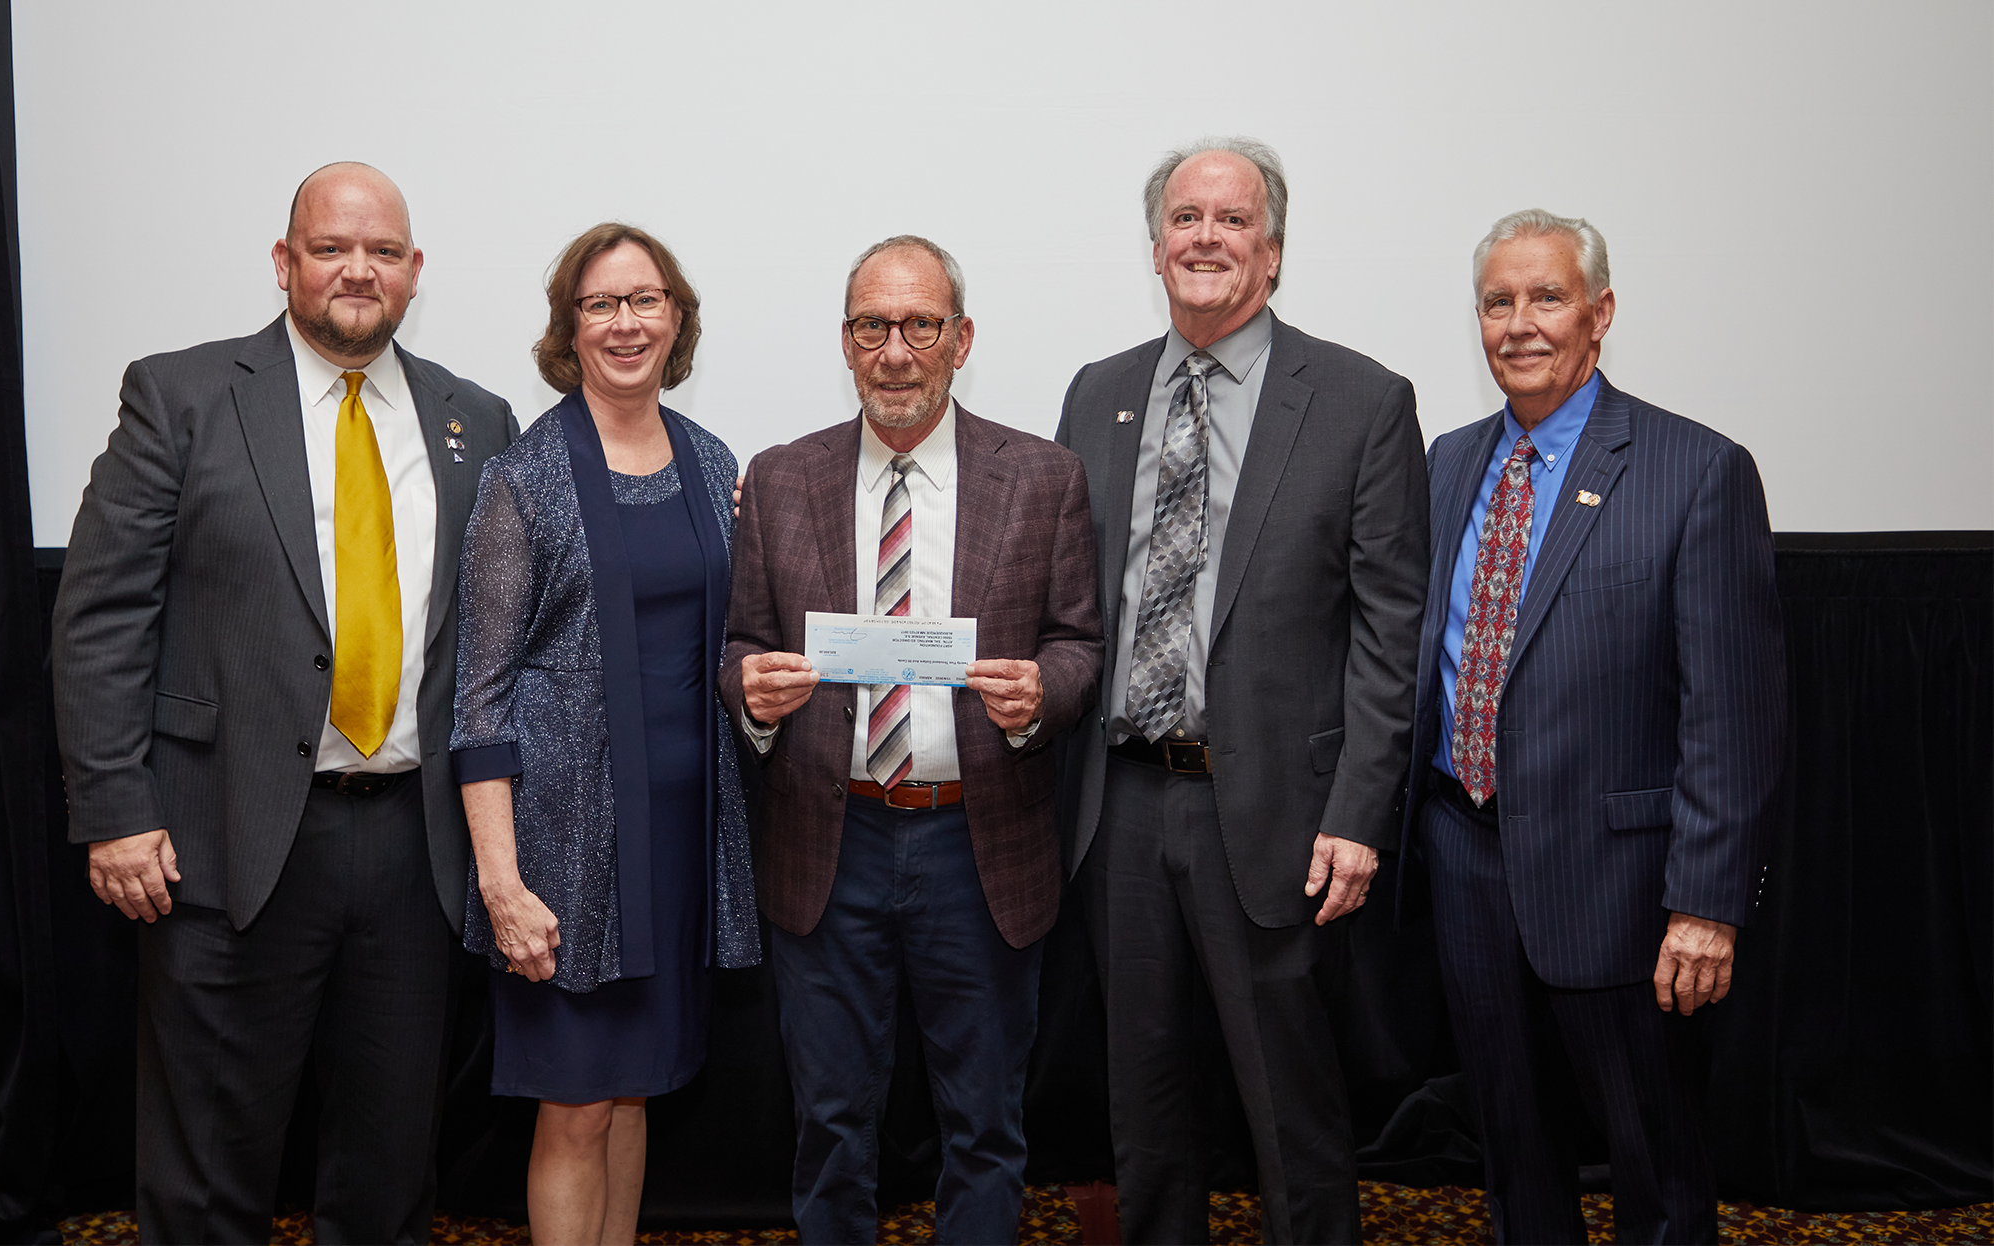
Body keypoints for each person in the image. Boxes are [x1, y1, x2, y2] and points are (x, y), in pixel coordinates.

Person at [53, 162, 517, 1246]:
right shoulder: (180, 396)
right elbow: (100, 615)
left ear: (414, 273)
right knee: (211, 1166)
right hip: (226, 836)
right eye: (330, 247)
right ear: (285, 263)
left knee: (390, 1164)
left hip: (414, 848)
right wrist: (116, 806)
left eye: (383, 251)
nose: (358, 269)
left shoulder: (476, 419)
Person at [1053, 137, 1429, 1246]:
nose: (1204, 238)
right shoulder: (1101, 391)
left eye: (1231, 220)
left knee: (1291, 1112)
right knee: (1146, 1108)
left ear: (1272, 249)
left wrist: (1358, 815)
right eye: (1184, 218)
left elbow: (1389, 629)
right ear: (1156, 243)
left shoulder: (1360, 399)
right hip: (1121, 808)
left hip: (1274, 813)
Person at [1402, 209, 1786, 1244]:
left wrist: (1705, 903)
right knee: (1513, 1151)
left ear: (1601, 311)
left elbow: (1733, 712)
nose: (1519, 324)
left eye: (1547, 297)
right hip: (1467, 857)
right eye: (1497, 301)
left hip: (1623, 886)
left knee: (1653, 1162)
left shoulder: (1694, 469)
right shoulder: (1446, 463)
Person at [720, 235, 1102, 1242]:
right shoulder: (779, 478)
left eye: (920, 325)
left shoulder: (1044, 478)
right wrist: (753, 695)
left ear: (961, 338)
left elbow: (1078, 642)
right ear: (844, 343)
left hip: (977, 845)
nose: (896, 350)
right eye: (872, 327)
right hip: (827, 844)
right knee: (833, 1122)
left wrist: (1044, 695)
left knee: (983, 1125)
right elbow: (742, 644)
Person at [450, 223, 761, 1246]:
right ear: (568, 328)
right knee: (578, 1104)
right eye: (600, 304)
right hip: (566, 858)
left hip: (677, 847)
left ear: (677, 318)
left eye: (645, 300)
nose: (625, 322)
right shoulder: (521, 478)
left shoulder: (713, 461)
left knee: (635, 1093)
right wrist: (504, 885)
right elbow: (481, 698)